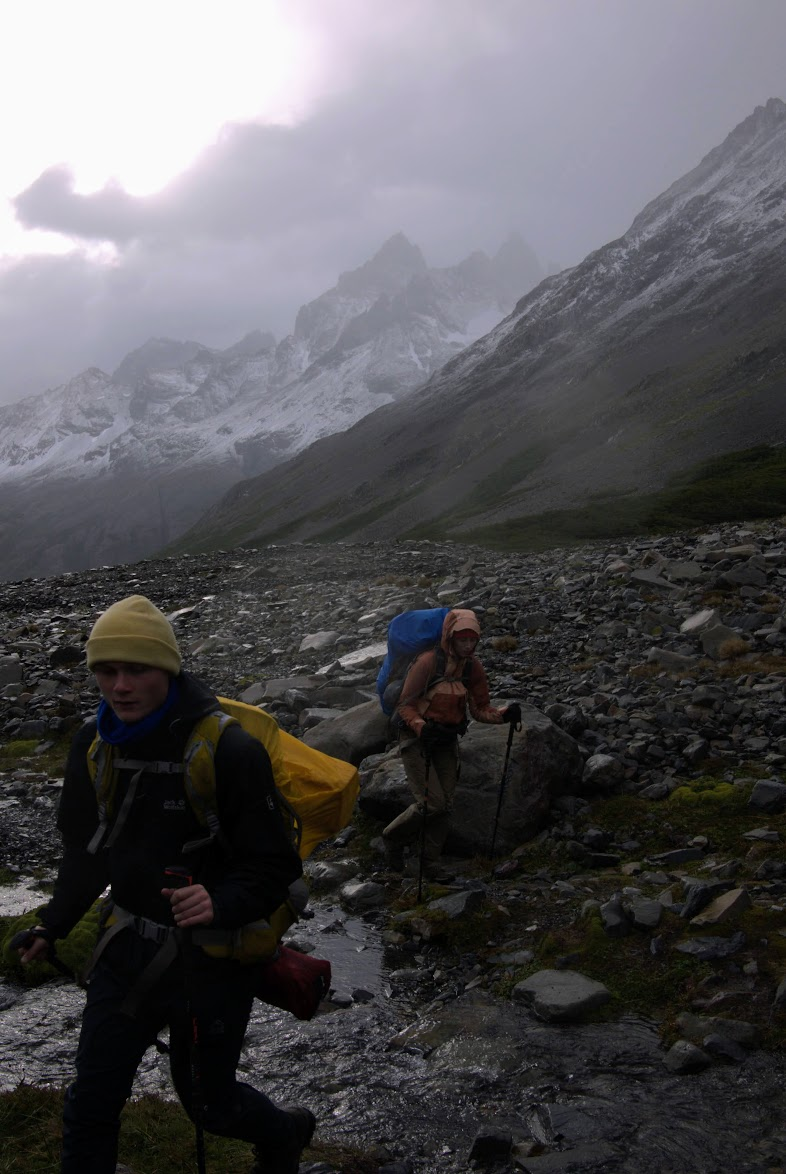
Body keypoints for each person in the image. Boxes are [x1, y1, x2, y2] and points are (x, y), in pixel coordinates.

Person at [17, 594, 315, 1174]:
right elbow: (86, 853)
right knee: (92, 1099)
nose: (120, 685)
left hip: (212, 958)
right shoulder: (93, 745)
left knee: (210, 1103)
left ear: (169, 670)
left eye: (137, 669)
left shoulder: (230, 750)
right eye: (106, 670)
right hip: (124, 945)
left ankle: (285, 1134)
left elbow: (276, 867)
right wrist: (51, 926)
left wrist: (220, 899)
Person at [381, 608, 520, 873]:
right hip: (416, 740)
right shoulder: (427, 662)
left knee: (445, 806)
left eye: (472, 640)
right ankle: (392, 837)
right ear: (450, 637)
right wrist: (422, 728)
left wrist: (504, 715)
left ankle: (430, 863)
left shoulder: (472, 667)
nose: (468, 645)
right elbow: (405, 706)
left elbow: (480, 709)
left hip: (446, 740)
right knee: (431, 803)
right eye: (462, 640)